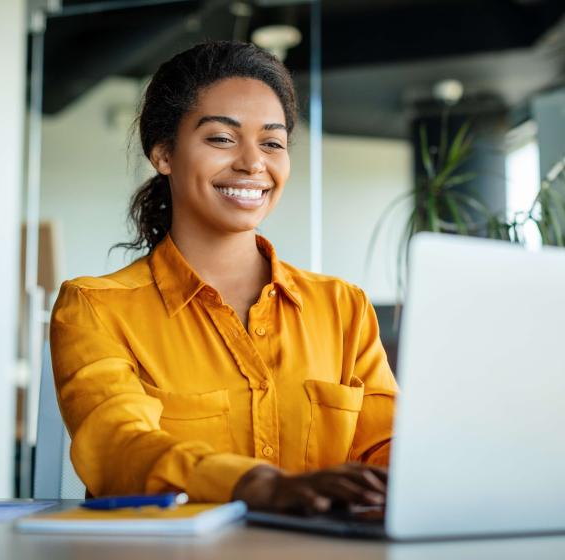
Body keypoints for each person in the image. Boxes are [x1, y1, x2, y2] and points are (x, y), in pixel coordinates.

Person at [50, 40, 398, 514]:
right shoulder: (95, 308)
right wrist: (255, 485)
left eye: (272, 143)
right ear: (164, 153)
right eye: (221, 138)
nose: (253, 163)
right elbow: (117, 447)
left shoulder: (342, 308)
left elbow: (388, 448)